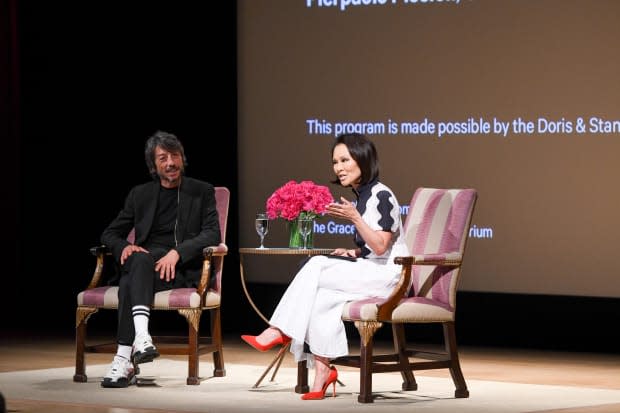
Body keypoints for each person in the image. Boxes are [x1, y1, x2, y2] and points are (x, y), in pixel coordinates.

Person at [241, 133, 408, 400]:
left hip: (390, 276)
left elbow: (380, 246)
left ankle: (279, 330)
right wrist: (353, 250)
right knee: (321, 298)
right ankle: (323, 372)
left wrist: (355, 218)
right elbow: (370, 248)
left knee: (317, 263)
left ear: (363, 160)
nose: (338, 167)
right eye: (335, 162)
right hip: (372, 269)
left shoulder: (381, 194)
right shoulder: (362, 196)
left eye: (345, 160)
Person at [100, 130, 221, 388]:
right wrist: (124, 247)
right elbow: (110, 233)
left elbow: (213, 233)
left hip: (180, 269)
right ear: (153, 165)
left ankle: (124, 358)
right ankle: (142, 338)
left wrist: (177, 252)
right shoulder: (139, 194)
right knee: (140, 260)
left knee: (129, 283)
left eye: (175, 155)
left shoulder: (201, 191)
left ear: (182, 158)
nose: (171, 163)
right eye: (163, 158)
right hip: (145, 264)